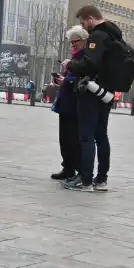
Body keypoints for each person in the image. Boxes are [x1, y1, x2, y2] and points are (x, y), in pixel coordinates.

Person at [63, 4, 122, 192]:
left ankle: (86, 180)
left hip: (92, 91)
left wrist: (71, 64)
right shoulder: (115, 34)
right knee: (101, 136)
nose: (84, 26)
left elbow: (90, 64)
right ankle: (101, 179)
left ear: (90, 18)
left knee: (86, 136)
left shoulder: (98, 36)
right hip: (106, 92)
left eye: (83, 22)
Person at [50, 25, 87, 181]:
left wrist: (68, 80)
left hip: (74, 102)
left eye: (75, 42)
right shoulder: (75, 57)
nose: (72, 45)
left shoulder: (85, 57)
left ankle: (75, 168)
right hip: (65, 101)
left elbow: (84, 76)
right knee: (64, 138)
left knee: (72, 138)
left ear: (83, 40)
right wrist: (62, 79)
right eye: (71, 43)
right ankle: (68, 167)